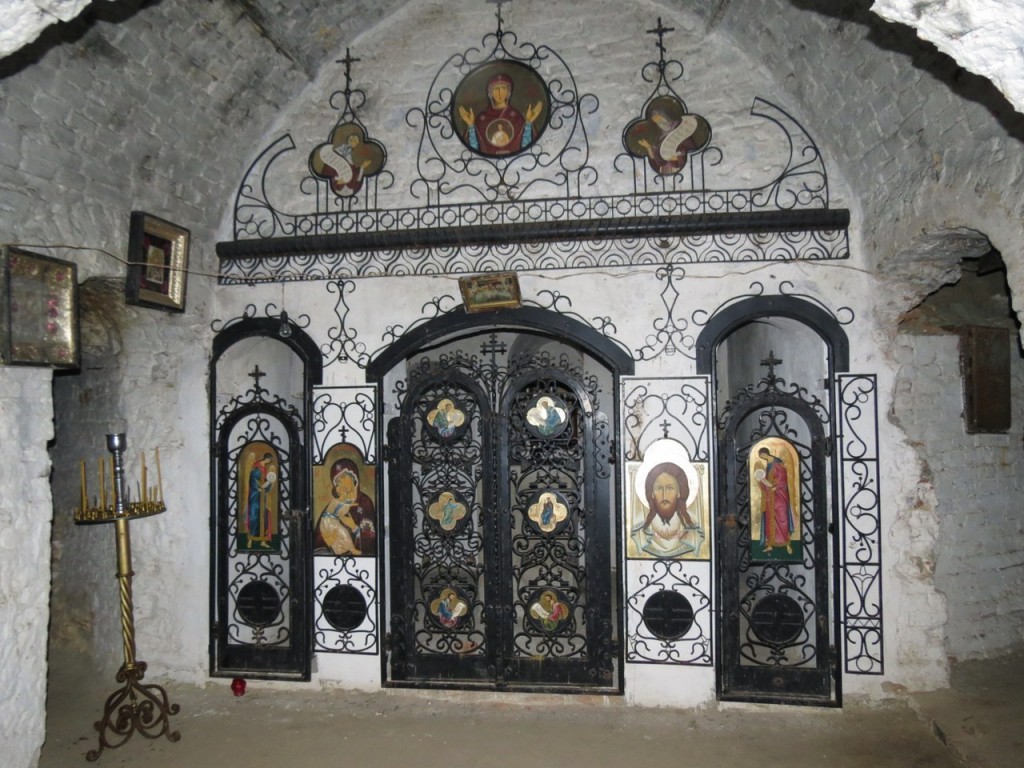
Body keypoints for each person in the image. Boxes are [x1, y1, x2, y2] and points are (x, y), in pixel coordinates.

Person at [458, 73, 543, 156]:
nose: (500, 92)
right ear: (490, 93)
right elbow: (474, 150)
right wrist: (471, 125)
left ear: (508, 92)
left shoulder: (516, 116)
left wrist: (528, 123)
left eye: (503, 88)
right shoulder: (482, 118)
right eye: (496, 89)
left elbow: (525, 148)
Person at [634, 461, 698, 557]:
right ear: (652, 494)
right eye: (659, 488)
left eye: (670, 488)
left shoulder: (692, 532)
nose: (664, 495)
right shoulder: (641, 532)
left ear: (679, 492)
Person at [314, 458, 377, 556]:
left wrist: (354, 527)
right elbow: (319, 539)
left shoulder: (364, 502)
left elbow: (370, 539)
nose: (340, 482)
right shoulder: (335, 504)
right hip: (334, 558)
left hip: (360, 561)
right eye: (337, 481)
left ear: (353, 476)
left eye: (343, 477)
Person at [636, 108, 710, 176]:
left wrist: (678, 156)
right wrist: (648, 147)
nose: (658, 121)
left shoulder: (679, 126)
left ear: (663, 116)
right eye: (655, 121)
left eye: (658, 117)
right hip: (667, 168)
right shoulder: (661, 137)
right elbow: (657, 157)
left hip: (682, 167)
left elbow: (689, 145)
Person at [755, 447, 795, 554]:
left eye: (762, 456)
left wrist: (775, 487)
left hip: (780, 497)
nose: (762, 458)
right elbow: (768, 482)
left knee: (783, 519)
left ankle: (787, 544)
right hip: (771, 498)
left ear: (765, 454)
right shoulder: (768, 465)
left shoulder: (778, 463)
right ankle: (770, 544)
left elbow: (783, 479)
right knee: (769, 520)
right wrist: (762, 481)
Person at [244, 452, 275, 549]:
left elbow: (264, 482)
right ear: (267, 459)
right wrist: (258, 488)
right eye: (269, 460)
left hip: (262, 496)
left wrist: (269, 483)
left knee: (264, 516)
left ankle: (263, 541)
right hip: (255, 496)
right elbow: (253, 480)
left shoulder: (264, 468)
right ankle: (250, 539)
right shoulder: (257, 467)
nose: (269, 461)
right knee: (254, 516)